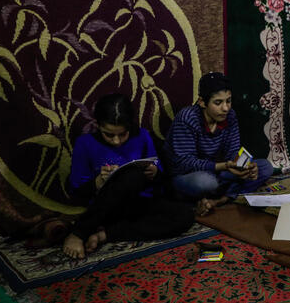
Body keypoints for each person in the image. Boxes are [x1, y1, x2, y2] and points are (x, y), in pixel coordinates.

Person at [62, 93, 194, 259]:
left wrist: (154, 173)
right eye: (109, 134)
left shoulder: (142, 136)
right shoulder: (85, 143)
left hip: (137, 203)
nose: (116, 141)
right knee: (131, 176)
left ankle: (104, 235)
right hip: (104, 208)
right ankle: (79, 233)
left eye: (122, 134)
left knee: (185, 215)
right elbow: (77, 190)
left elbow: (160, 177)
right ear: (98, 125)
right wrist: (98, 181)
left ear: (130, 126)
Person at [163, 72, 273, 216]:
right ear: (202, 102)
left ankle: (218, 200)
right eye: (218, 102)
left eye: (228, 101)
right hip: (187, 175)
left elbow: (233, 152)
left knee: (265, 167)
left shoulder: (230, 116)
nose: (225, 108)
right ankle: (219, 194)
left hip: (217, 170)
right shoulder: (187, 118)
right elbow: (185, 163)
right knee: (207, 182)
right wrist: (224, 166)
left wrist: (245, 166)